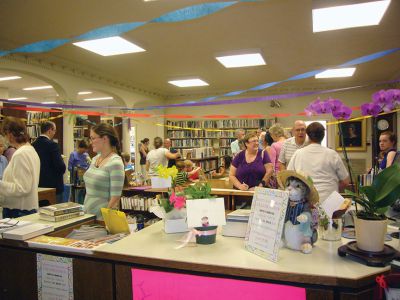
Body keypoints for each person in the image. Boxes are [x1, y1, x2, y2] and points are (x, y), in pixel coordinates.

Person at [287, 122, 349, 203]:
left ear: (307, 136)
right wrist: (334, 191)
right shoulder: (332, 154)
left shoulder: (298, 154)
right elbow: (345, 182)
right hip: (330, 202)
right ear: (323, 136)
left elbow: (289, 177)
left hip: (307, 203)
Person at [0, 117, 40, 218]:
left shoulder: (20, 154)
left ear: (9, 134)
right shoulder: (31, 150)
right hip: (24, 209)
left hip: (18, 211)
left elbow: (22, 188)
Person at [83, 123, 125, 220]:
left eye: (93, 138)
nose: (91, 142)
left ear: (105, 139)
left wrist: (105, 219)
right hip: (88, 217)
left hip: (101, 220)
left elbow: (115, 199)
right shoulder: (95, 159)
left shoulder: (115, 163)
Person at [32, 121, 66, 203]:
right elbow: (60, 167)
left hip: (38, 186)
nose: (54, 133)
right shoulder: (53, 145)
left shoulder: (32, 145)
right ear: (50, 130)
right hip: (53, 187)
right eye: (54, 131)